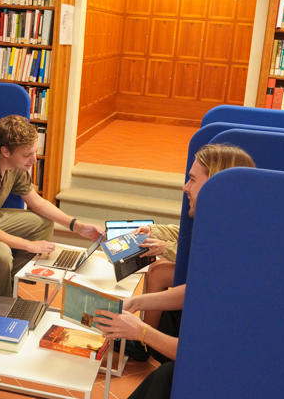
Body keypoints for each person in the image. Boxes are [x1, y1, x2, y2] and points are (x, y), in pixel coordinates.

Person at [94, 143, 255, 399]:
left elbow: (200, 351)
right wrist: (136, 301)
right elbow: (196, 292)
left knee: (166, 378)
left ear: (217, 187)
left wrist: (141, 331)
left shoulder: (237, 257)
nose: (185, 187)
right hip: (213, 356)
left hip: (228, 368)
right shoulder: (229, 234)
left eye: (192, 180)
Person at [0, 115, 103, 299]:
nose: (34, 160)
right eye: (27, 155)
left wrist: (77, 226)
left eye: (34, 152)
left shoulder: (16, 165)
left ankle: (11, 282)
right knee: (1, 253)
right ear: (6, 151)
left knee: (43, 222)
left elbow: (36, 202)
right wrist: (29, 245)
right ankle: (2, 302)